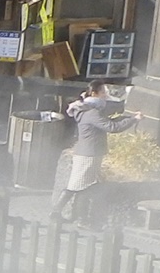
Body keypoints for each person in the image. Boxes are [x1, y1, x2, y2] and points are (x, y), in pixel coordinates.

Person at [51, 81, 141, 221]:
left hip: (87, 151)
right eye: (103, 92)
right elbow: (112, 127)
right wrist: (133, 120)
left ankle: (72, 216)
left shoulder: (86, 109)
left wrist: (129, 117)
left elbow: (109, 120)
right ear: (94, 93)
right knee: (79, 185)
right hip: (89, 153)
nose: (105, 96)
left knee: (81, 185)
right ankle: (63, 215)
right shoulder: (92, 113)